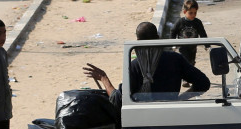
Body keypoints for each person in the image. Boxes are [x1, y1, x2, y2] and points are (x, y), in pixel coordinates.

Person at [83, 22, 211, 102]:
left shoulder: (135, 66)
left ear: (138, 42)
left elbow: (118, 100)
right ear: (157, 38)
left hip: (142, 121)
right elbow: (203, 83)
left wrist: (104, 79)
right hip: (172, 115)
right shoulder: (175, 59)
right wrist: (178, 100)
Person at [169, 0, 208, 65]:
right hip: (183, 47)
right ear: (185, 12)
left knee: (192, 62)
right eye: (190, 13)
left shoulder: (197, 22)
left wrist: (207, 45)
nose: (193, 15)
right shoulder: (180, 22)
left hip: (193, 47)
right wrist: (173, 44)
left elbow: (202, 33)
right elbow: (173, 32)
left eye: (195, 13)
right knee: (185, 62)